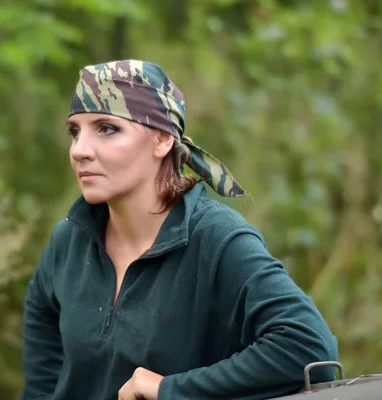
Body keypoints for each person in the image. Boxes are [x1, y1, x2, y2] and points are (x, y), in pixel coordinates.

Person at [21, 60, 339, 400]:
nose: (80, 151)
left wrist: (169, 390)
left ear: (161, 140)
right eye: (75, 131)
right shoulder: (68, 242)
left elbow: (309, 346)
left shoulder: (216, 239)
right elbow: (43, 362)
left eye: (106, 128)